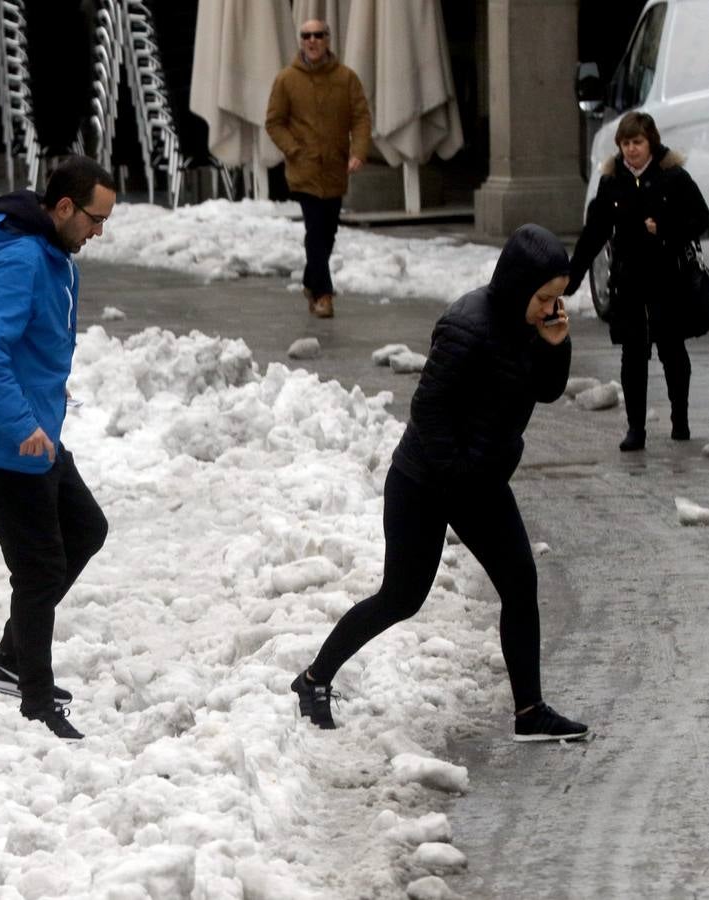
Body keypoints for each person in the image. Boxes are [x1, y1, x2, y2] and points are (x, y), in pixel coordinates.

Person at [291, 224, 590, 742]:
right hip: (424, 483)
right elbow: (427, 409)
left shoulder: (531, 324)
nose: (550, 308)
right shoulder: (466, 325)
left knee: (521, 585)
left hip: (481, 482)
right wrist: (455, 475)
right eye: (545, 298)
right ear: (520, 285)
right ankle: (313, 679)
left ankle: (529, 713)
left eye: (557, 299)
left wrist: (555, 345)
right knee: (401, 597)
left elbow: (547, 390)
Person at [0, 156, 116, 740]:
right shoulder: (19, 258)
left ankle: (11, 659)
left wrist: (45, 388)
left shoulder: (52, 255)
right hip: (0, 439)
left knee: (85, 529)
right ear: (63, 208)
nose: (100, 231)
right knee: (39, 566)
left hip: (30, 427)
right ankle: (34, 700)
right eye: (95, 218)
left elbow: (26, 340)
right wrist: (19, 420)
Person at [566, 111, 709, 451]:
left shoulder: (672, 176)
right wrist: (570, 278)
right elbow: (594, 233)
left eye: (638, 142)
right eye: (626, 143)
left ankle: (680, 417)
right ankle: (636, 429)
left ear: (651, 143)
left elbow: (702, 218)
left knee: (672, 351)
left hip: (667, 280)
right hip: (628, 282)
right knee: (632, 356)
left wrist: (667, 229)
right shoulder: (611, 181)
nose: (631, 150)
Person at [265, 18, 371, 319]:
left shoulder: (346, 78)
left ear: (327, 39)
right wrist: (294, 149)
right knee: (315, 231)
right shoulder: (286, 79)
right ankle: (324, 294)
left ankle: (311, 282)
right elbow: (274, 122)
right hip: (304, 169)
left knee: (329, 230)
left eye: (318, 35)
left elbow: (361, 117)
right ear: (301, 41)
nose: (312, 41)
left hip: (336, 168)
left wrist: (359, 152)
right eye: (306, 36)